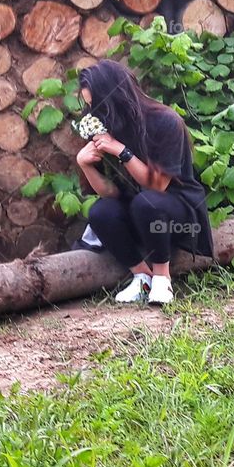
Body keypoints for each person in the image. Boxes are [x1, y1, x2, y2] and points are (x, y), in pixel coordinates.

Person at [75, 60, 213, 305]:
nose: (93, 112)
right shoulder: (105, 126)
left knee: (147, 202)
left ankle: (162, 278)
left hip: (176, 212)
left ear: (115, 96)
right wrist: (84, 164)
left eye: (96, 105)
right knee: (100, 211)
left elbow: (158, 186)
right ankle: (142, 276)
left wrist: (122, 151)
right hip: (137, 209)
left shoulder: (164, 121)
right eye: (89, 105)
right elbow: (111, 193)